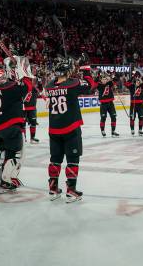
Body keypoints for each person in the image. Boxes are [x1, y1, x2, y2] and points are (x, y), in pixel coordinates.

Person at [44, 60, 97, 202]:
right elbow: (91, 85)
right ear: (67, 72)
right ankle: (71, 191)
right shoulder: (73, 83)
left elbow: (62, 84)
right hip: (70, 128)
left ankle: (53, 189)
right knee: (72, 159)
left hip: (54, 129)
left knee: (55, 159)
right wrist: (86, 71)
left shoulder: (49, 86)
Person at [0, 65, 33, 192]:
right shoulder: (10, 88)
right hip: (10, 127)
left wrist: (15, 76)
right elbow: (28, 86)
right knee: (13, 153)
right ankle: (6, 180)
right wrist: (23, 72)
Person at [22, 77, 40, 144]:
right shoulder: (23, 85)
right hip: (23, 108)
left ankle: (32, 138)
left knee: (33, 123)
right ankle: (24, 139)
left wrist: (39, 84)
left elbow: (39, 91)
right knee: (22, 124)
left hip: (32, 108)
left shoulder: (34, 87)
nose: (34, 81)